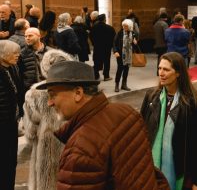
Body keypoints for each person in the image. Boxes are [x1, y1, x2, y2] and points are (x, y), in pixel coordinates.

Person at [36, 61, 169, 190]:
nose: (49, 103)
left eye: (53, 95)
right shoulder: (126, 111)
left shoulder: (81, 147)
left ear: (78, 93)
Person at [141, 52, 197, 190]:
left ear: (178, 73)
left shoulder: (194, 103)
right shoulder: (151, 97)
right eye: (159, 68)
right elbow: (141, 131)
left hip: (181, 171)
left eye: (166, 69)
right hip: (151, 169)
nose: (161, 73)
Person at [23, 49, 74, 190]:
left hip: (46, 152)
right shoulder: (78, 89)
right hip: (73, 148)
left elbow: (31, 132)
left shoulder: (34, 94)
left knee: (47, 183)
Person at [0, 40, 23, 190]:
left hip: (11, 121)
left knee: (11, 160)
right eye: (14, 53)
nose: (18, 56)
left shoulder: (13, 68)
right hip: (2, 123)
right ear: (2, 55)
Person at [19, 27, 50, 98]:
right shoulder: (22, 54)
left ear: (39, 36)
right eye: (25, 36)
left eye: (30, 35)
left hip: (47, 87)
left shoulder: (50, 52)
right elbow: (20, 74)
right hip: (30, 89)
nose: (27, 38)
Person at [113, 19, 137, 92]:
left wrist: (134, 42)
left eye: (125, 26)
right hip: (120, 54)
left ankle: (124, 84)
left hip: (128, 54)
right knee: (120, 69)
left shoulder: (132, 33)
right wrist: (115, 51)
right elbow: (114, 43)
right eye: (123, 26)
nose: (124, 27)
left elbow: (132, 44)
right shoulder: (120, 33)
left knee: (126, 69)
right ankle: (116, 85)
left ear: (129, 26)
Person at [90, 13, 115, 81]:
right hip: (106, 48)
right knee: (106, 61)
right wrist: (110, 46)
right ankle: (106, 76)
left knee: (97, 61)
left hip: (97, 47)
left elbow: (91, 36)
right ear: (105, 19)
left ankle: (96, 75)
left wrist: (94, 44)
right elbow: (113, 38)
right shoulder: (110, 28)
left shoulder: (94, 28)